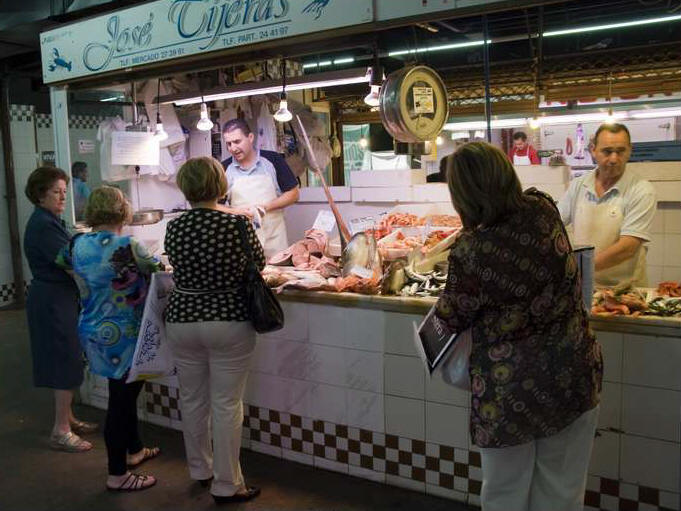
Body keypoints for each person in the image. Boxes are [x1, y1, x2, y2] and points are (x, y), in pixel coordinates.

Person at [435, 142, 602, 511]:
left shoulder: (470, 250)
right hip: (572, 374)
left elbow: (450, 317)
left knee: (505, 495)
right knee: (562, 493)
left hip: (509, 393)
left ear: (463, 194)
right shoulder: (544, 209)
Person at [165, 157, 265, 504]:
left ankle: (200, 469)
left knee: (192, 399)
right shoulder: (236, 224)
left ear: (185, 187)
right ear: (220, 186)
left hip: (182, 318)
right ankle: (227, 484)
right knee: (226, 404)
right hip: (228, 319)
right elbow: (259, 263)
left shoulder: (175, 227)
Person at [56, 186, 161, 491]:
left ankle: (135, 450)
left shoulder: (75, 244)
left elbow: (61, 263)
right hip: (125, 335)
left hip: (92, 330)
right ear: (122, 211)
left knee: (122, 393)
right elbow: (158, 269)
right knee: (121, 402)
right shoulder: (128, 245)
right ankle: (118, 474)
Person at [23, 166, 97, 453]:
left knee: (67, 357)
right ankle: (61, 430)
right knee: (64, 360)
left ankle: (68, 417)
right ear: (40, 194)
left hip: (58, 296)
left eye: (65, 191)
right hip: (53, 299)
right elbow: (69, 261)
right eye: (57, 192)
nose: (63, 197)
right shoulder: (43, 224)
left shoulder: (49, 220)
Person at [558, 123, 656, 287]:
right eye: (607, 151)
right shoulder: (579, 185)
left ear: (630, 150)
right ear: (593, 150)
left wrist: (577, 268)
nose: (614, 159)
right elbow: (555, 222)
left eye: (620, 151)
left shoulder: (641, 190)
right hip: (584, 286)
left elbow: (628, 247)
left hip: (624, 290)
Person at [221, 118, 299, 258]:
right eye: (229, 144)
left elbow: (293, 194)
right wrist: (236, 211)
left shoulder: (273, 160)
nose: (233, 148)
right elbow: (214, 206)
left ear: (250, 137)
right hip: (242, 242)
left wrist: (265, 207)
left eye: (237, 141)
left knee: (277, 271)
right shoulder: (223, 168)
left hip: (275, 239)